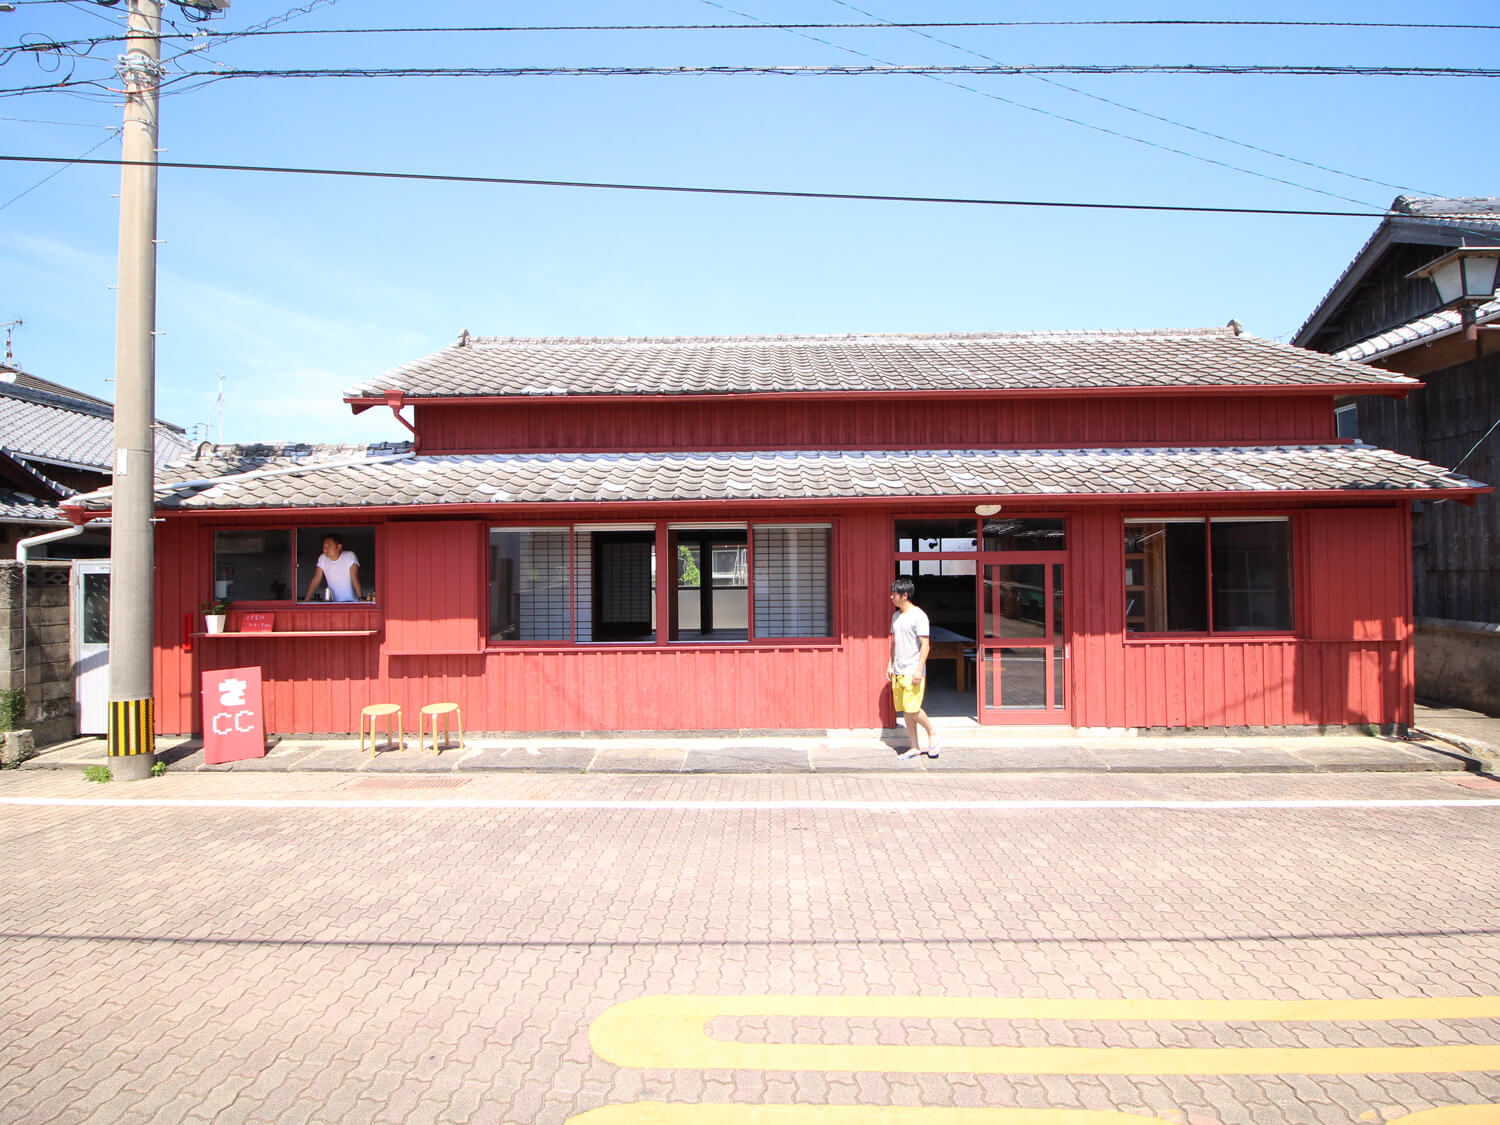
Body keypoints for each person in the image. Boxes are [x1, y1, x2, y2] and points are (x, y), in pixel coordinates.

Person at [888, 577, 941, 759]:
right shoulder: (896, 616)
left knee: (913, 709)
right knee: (906, 710)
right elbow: (894, 643)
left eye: (894, 594)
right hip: (898, 671)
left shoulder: (919, 616)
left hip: (913, 670)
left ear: (905, 595)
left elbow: (925, 645)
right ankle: (914, 746)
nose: (891, 597)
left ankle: (932, 733)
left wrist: (919, 669)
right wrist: (890, 664)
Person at [303, 534, 362, 602]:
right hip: (333, 602)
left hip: (351, 601)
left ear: (339, 547)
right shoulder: (322, 558)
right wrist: (306, 600)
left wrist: (360, 598)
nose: (326, 549)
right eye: (324, 546)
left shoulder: (349, 556)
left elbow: (354, 577)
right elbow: (316, 579)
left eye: (329, 546)